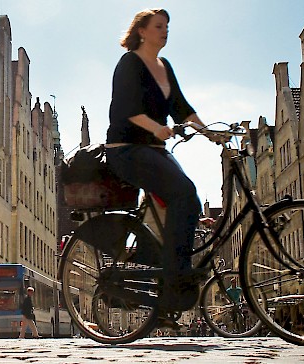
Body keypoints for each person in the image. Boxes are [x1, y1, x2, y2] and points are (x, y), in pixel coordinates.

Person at [105, 9, 220, 289]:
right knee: (182, 193)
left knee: (189, 199)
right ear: (142, 31)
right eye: (158, 26)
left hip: (154, 150)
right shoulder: (129, 63)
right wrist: (155, 127)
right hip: (126, 149)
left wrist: (209, 132)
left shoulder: (164, 65)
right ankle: (175, 279)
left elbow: (181, 107)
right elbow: (125, 108)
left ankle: (166, 268)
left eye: (167, 26)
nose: (164, 31)